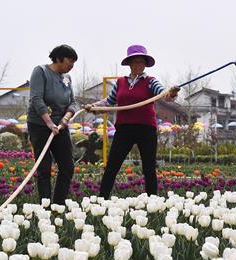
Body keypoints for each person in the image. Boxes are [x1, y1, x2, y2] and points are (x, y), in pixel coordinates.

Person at [86, 45, 179, 198]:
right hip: (124, 129)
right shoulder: (121, 82)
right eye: (134, 62)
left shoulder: (151, 82)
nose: (137, 65)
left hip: (146, 129)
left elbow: (164, 95)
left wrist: (172, 93)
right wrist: (93, 106)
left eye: (141, 62)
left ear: (145, 64)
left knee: (149, 168)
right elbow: (109, 101)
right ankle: (101, 199)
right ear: (129, 64)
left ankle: (152, 202)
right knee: (112, 166)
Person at [27, 44, 78, 205]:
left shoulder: (67, 78)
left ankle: (58, 204)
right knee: (44, 167)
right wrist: (48, 122)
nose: (71, 66)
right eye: (70, 61)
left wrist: (66, 117)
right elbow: (36, 98)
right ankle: (45, 206)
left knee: (67, 166)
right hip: (40, 126)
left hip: (60, 127)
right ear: (58, 58)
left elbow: (73, 102)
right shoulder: (41, 72)